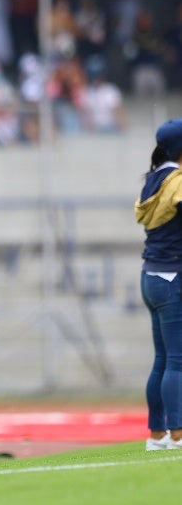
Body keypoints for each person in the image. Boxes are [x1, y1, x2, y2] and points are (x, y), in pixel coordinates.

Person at [135, 118, 182, 451]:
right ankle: (178, 434)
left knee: (163, 359)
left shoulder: (153, 179)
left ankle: (158, 435)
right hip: (171, 277)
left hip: (150, 276)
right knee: (178, 361)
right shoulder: (178, 181)